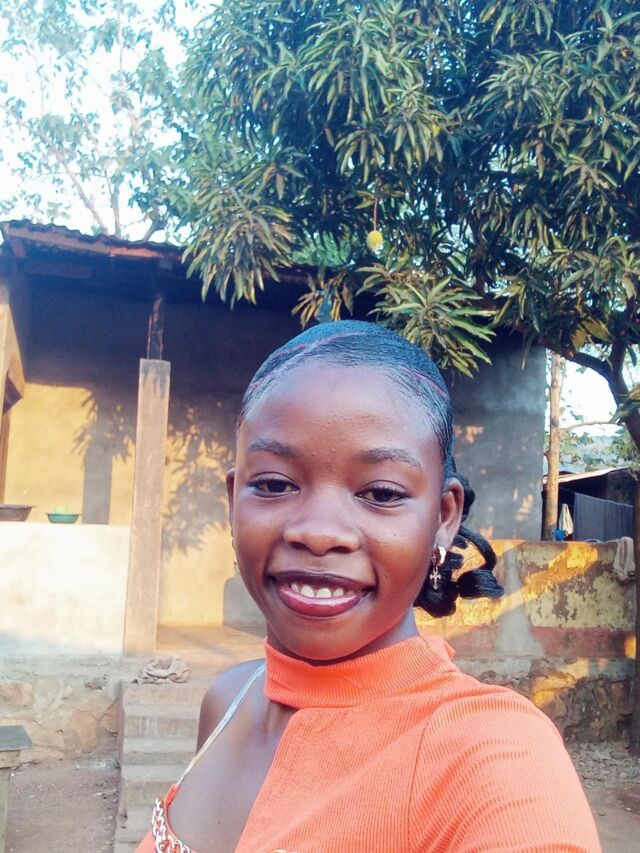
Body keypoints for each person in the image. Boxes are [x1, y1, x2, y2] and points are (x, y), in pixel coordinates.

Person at [136, 320, 601, 853]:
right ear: (233, 498)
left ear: (443, 518)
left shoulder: (492, 754)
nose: (318, 532)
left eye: (380, 493)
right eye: (274, 484)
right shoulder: (229, 700)